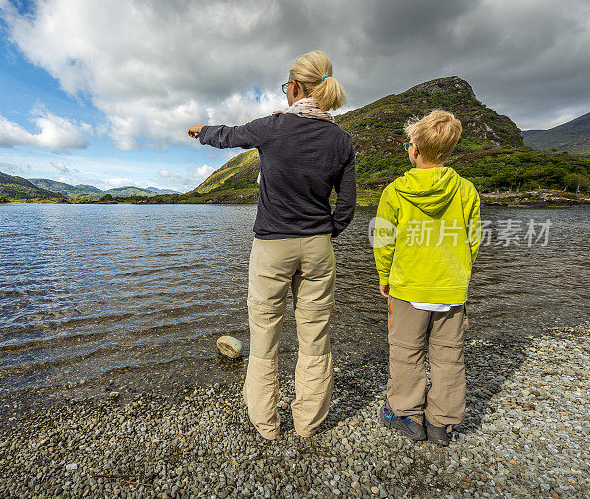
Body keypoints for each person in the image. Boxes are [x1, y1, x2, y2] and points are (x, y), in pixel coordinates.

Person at [187, 50, 356, 439]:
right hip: (318, 246)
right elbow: (346, 204)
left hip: (272, 246)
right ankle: (308, 422)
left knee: (264, 334)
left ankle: (266, 423)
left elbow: (230, 135)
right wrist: (327, 232)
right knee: (315, 335)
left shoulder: (275, 127)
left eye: (287, 87)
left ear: (294, 88)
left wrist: (202, 131)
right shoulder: (341, 140)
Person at [372, 109, 481, 446]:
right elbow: (472, 240)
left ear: (415, 149)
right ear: (447, 153)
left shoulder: (394, 191)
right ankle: (441, 424)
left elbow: (384, 240)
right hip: (450, 289)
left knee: (406, 352)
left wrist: (384, 276)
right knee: (449, 356)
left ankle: (406, 415)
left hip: (408, 288)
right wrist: (458, 272)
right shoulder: (465, 190)